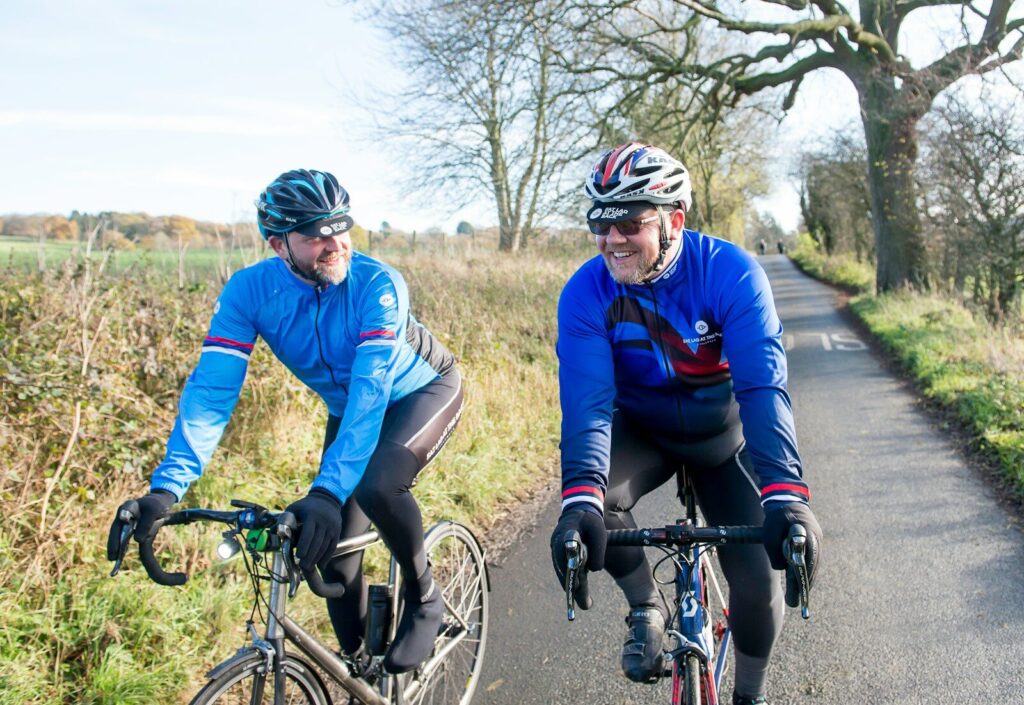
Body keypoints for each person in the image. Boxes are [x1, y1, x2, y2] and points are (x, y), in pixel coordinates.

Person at [107, 168, 463, 674]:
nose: (334, 243)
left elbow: (370, 389)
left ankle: (426, 595)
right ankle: (360, 666)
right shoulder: (248, 293)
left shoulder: (379, 284)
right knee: (333, 552)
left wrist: (326, 492)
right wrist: (167, 488)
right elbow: (211, 392)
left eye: (340, 227)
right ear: (278, 244)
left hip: (421, 391)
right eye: (316, 234)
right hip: (349, 408)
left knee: (379, 487)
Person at [549, 143, 822, 705]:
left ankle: (749, 694)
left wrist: (787, 496)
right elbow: (588, 405)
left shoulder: (730, 273)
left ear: (675, 220)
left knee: (754, 582)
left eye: (628, 222)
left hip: (723, 441)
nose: (610, 239)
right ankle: (646, 606)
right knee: (595, 506)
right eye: (598, 223)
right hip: (643, 431)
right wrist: (577, 502)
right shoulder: (585, 292)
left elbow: (762, 389)